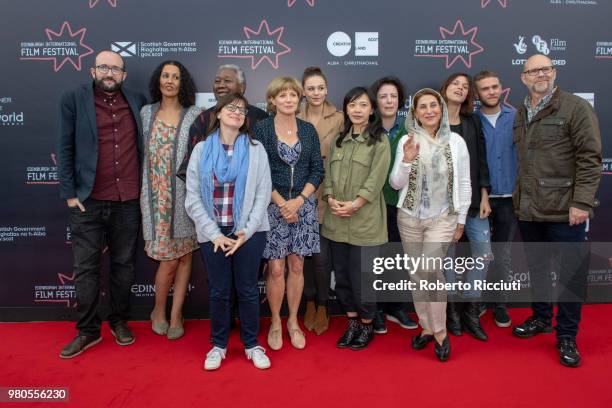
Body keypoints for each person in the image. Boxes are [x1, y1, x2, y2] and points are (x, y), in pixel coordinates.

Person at [511, 54, 601, 367]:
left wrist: (582, 202)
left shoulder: (576, 107)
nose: (540, 74)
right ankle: (540, 318)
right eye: (533, 70)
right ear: (524, 78)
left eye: (545, 69)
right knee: (537, 270)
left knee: (570, 277)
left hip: (566, 212)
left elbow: (590, 159)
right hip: (529, 209)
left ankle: (566, 336)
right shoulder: (521, 111)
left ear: (554, 71)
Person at [57, 50, 147, 358]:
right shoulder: (73, 98)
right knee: (86, 269)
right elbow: (64, 146)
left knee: (123, 266)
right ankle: (88, 331)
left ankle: (119, 321)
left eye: (116, 69)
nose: (110, 73)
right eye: (104, 67)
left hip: (128, 201)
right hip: (88, 201)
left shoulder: (138, 100)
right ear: (93, 71)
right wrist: (70, 194)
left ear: (124, 74)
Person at [185, 92, 272, 370]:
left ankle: (251, 344)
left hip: (250, 232)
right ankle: (218, 345)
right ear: (218, 114)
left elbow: (263, 193)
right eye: (231, 108)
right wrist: (215, 234)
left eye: (242, 110)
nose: (237, 112)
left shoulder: (256, 149)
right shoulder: (201, 150)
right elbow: (192, 198)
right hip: (214, 233)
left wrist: (246, 231)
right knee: (219, 291)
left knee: (247, 289)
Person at [390, 88, 471, 362]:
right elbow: (395, 183)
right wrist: (406, 161)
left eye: (433, 106)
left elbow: (464, 184)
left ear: (441, 109)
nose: (428, 111)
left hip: (443, 217)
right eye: (422, 107)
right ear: (415, 113)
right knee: (417, 275)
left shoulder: (457, 142)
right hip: (410, 218)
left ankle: (439, 332)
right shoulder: (408, 140)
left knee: (431, 272)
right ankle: (426, 326)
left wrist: (460, 221)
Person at [253, 77, 324, 350]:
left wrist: (299, 201)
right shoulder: (261, 129)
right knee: (276, 267)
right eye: (282, 95)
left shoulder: (308, 130)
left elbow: (317, 169)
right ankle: (274, 322)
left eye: (293, 95)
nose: (288, 99)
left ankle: (293, 321)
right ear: (272, 100)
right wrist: (283, 203)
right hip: (273, 206)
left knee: (296, 265)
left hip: (303, 207)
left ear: (299, 99)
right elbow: (259, 171)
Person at [322, 86, 391, 351]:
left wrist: (356, 204)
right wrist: (329, 198)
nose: (357, 110)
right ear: (346, 109)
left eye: (363, 105)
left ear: (371, 109)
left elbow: (376, 179)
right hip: (336, 221)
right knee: (342, 278)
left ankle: (366, 324)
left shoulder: (379, 141)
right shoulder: (339, 140)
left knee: (363, 279)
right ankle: (352, 322)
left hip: (365, 221)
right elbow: (328, 175)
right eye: (352, 105)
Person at [140, 61, 200, 340]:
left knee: (186, 256)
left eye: (176, 77)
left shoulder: (195, 115)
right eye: (165, 75)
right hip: (156, 199)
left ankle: (176, 314)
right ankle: (158, 311)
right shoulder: (145, 114)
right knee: (168, 261)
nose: (170, 81)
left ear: (182, 82)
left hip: (186, 199)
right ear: (158, 80)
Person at [440, 73, 492, 341]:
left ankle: (471, 312)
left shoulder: (473, 121)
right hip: (442, 207)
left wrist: (484, 195)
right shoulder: (432, 120)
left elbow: (482, 160)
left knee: (483, 254)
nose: (460, 88)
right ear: (445, 88)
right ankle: (451, 314)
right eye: (455, 84)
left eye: (464, 86)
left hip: (472, 202)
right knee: (447, 260)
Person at [370, 76, 418, 334]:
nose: (388, 101)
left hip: (400, 203)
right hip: (371, 204)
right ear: (376, 102)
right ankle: (375, 309)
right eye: (383, 96)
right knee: (375, 257)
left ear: (400, 101)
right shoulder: (367, 127)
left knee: (398, 256)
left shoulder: (411, 128)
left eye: (393, 96)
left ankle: (396, 307)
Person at [297, 67, 343, 335]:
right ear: (304, 91)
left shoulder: (338, 118)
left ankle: (324, 304)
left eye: (320, 87)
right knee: (302, 256)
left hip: (327, 192)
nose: (315, 92)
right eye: (310, 88)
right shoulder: (292, 115)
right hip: (298, 194)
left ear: (327, 89)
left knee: (322, 256)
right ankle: (310, 302)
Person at [473, 70, 518, 328]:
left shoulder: (516, 117)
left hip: (510, 198)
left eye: (494, 86)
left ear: (501, 88)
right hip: (480, 199)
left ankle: (500, 304)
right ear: (477, 94)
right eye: (485, 88)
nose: (491, 91)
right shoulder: (473, 121)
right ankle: (475, 302)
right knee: (478, 255)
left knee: (502, 254)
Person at [177, 64, 268, 181]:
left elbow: (267, 166)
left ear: (242, 87)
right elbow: (191, 169)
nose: (221, 85)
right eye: (217, 81)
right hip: (210, 193)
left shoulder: (260, 118)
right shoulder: (202, 119)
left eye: (227, 81)